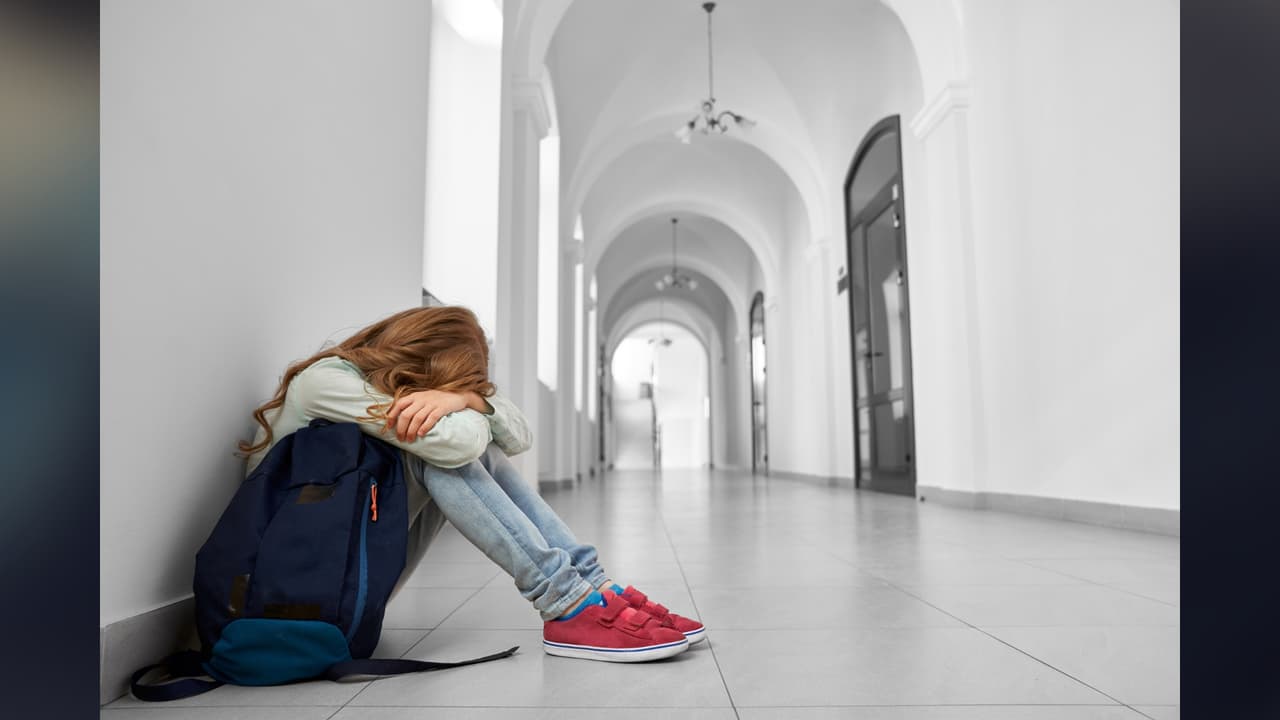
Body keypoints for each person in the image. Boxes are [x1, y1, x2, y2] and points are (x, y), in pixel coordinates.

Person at [238, 306, 705, 663]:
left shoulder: (389, 390)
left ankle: (589, 588)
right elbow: (456, 448)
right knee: (440, 456)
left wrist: (463, 399)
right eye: (445, 381)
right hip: (281, 595)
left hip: (341, 577)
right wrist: (466, 405)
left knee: (463, 446)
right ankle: (568, 602)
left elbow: (518, 435)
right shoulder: (325, 383)